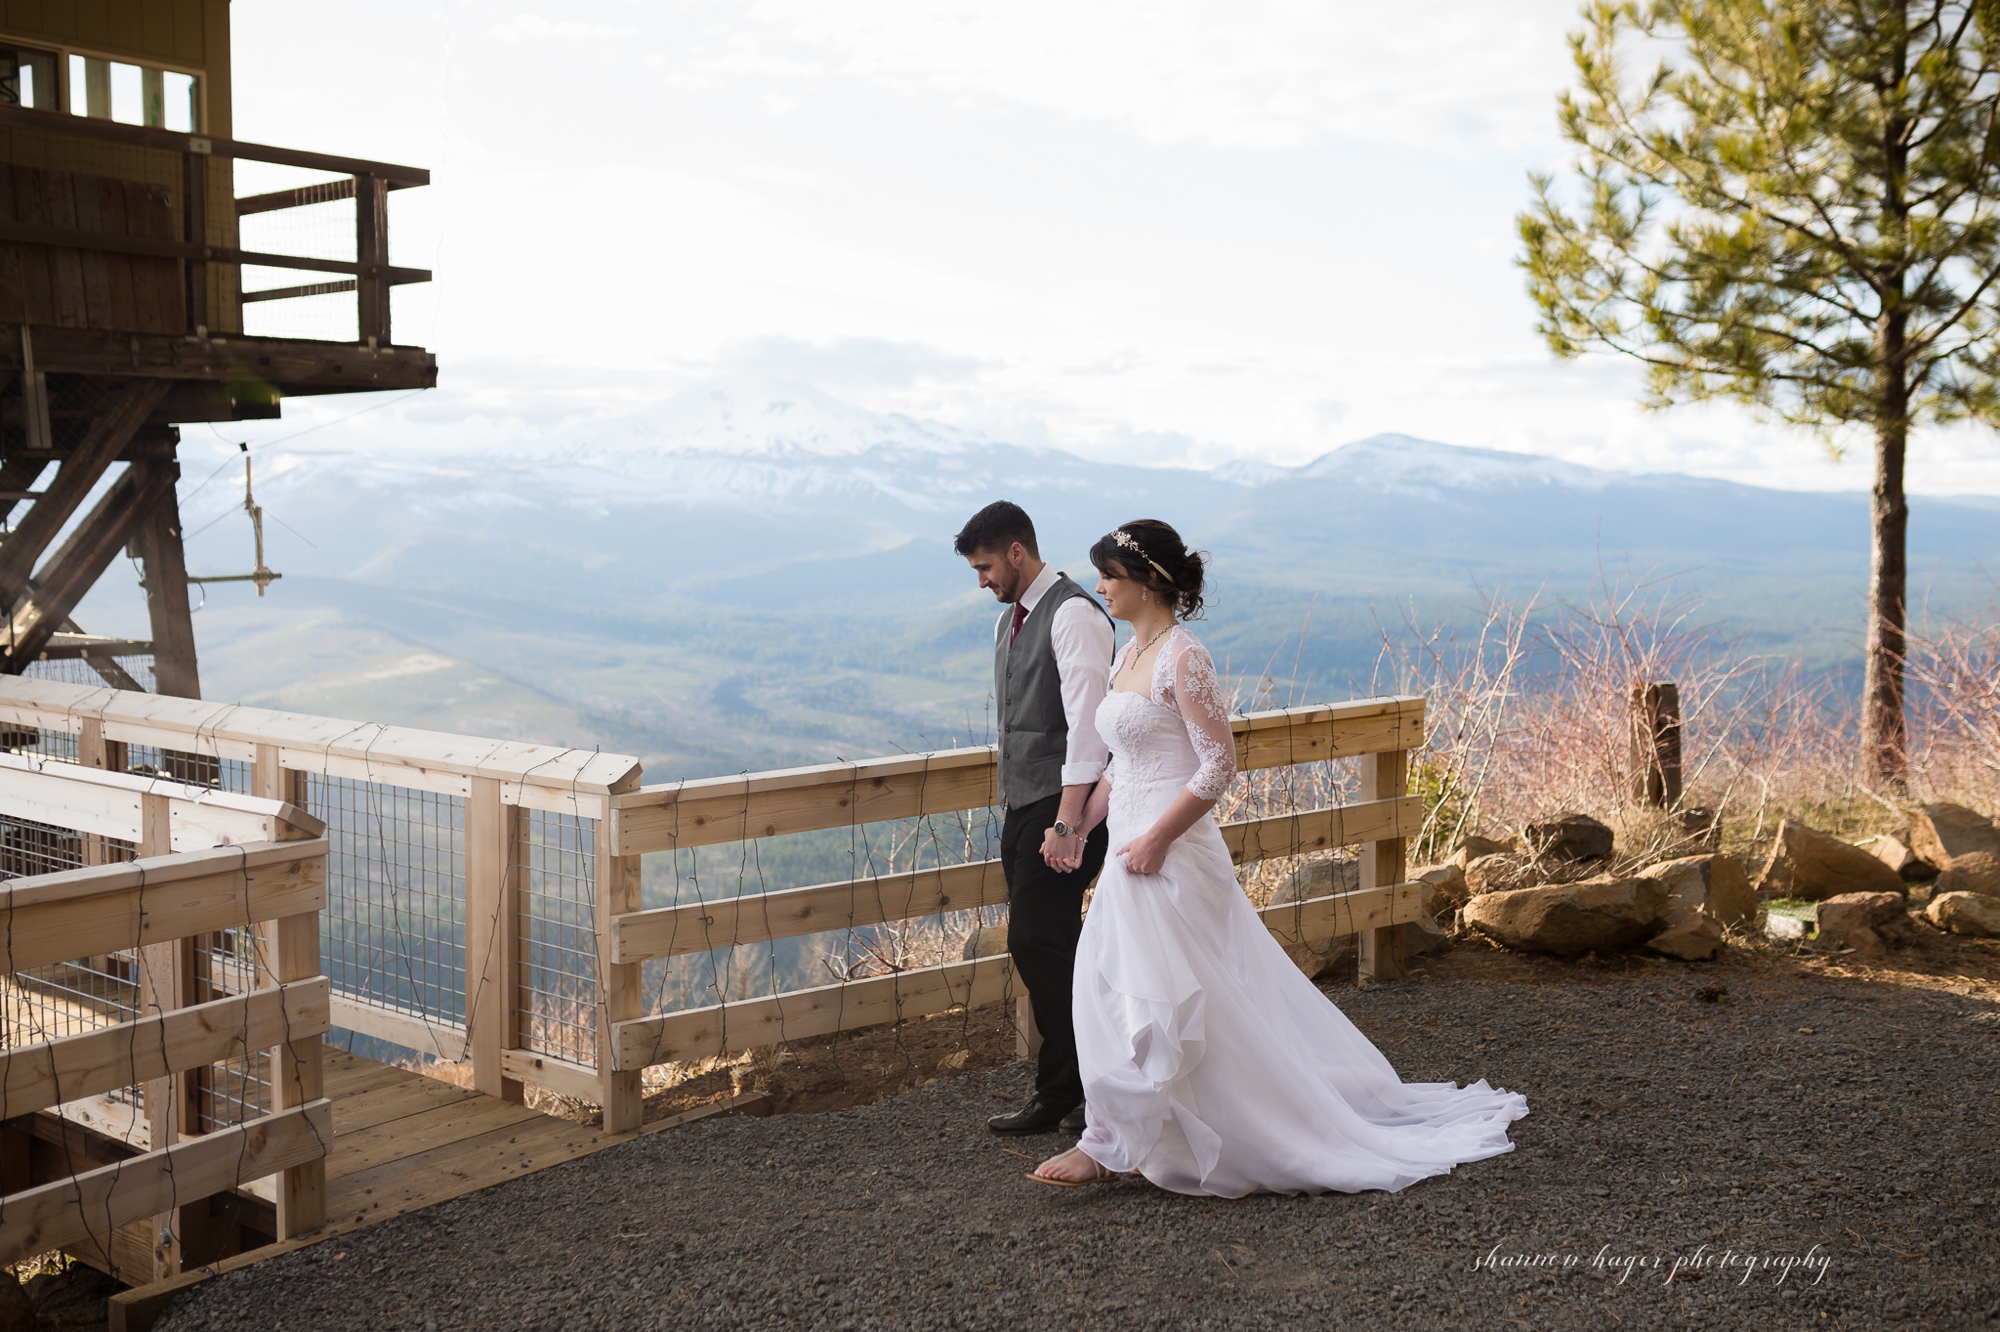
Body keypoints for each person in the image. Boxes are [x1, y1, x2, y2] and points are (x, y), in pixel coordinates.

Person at [1030, 519, 1530, 1193]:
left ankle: (1144, 1140)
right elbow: (1121, 764)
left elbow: (1218, 766)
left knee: (1185, 998)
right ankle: (1123, 1136)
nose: (1100, 587)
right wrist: (1076, 826)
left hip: (1170, 852)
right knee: (1113, 986)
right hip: (1127, 847)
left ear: (1147, 582)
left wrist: (1158, 839)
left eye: (1109, 576)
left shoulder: (1184, 657)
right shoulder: (1126, 657)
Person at [955, 501, 1116, 1136]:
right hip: (1025, 806)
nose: (982, 581)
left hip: (1064, 809)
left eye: (986, 566)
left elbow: (1089, 729)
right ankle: (1091, 1083)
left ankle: (1069, 1089)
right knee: (1054, 945)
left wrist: (1068, 823)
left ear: (1017, 552)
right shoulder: (1010, 621)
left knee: (1036, 941)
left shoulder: (1074, 614)